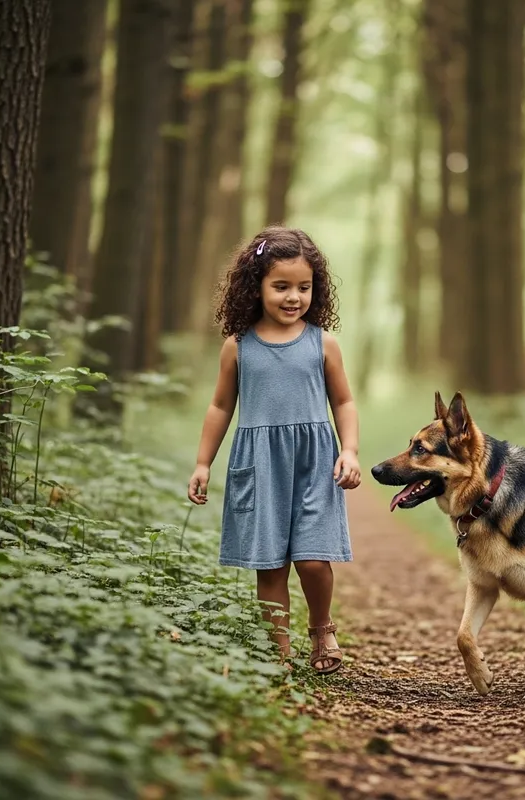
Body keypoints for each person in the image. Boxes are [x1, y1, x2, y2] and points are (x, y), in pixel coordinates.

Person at [187, 226, 361, 675]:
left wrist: (349, 451)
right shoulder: (238, 346)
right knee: (269, 565)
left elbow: (343, 401)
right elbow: (220, 406)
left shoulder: (322, 342)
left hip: (314, 463)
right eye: (281, 286)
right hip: (260, 464)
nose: (293, 297)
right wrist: (203, 463)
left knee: (313, 559)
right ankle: (278, 653)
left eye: (303, 287)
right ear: (256, 286)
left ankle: (321, 628)